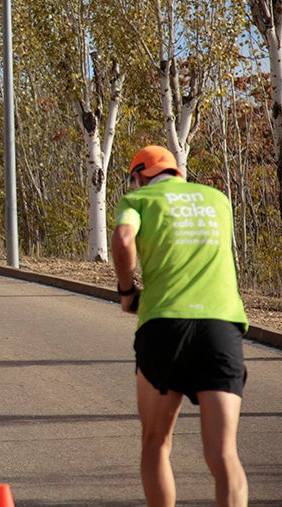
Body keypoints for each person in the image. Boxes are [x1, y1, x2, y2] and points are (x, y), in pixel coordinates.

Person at [111, 145, 249, 507]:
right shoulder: (217, 199)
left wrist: (127, 290)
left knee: (156, 442)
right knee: (224, 454)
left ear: (139, 175)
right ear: (176, 172)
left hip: (164, 324)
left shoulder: (138, 199)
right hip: (221, 324)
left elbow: (124, 239)